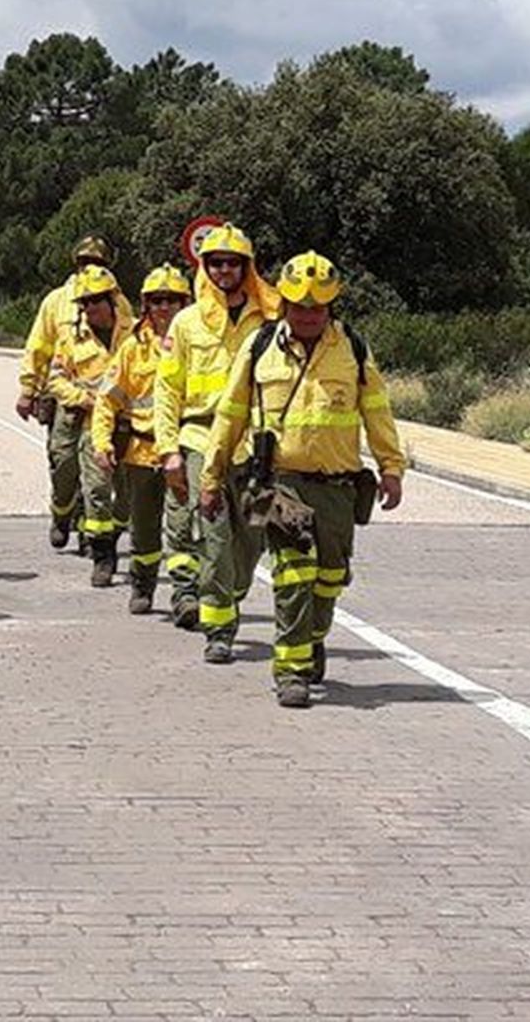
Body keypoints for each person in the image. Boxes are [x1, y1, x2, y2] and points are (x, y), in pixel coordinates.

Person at [202, 251, 405, 708]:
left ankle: (313, 638)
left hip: (337, 486)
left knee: (330, 577)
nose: (308, 315)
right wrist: (211, 476)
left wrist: (392, 467)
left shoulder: (352, 348)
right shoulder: (259, 347)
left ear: (331, 306)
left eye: (317, 308)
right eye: (299, 307)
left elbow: (378, 412)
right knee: (294, 573)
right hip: (276, 482)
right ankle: (290, 672)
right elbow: (229, 415)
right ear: (285, 306)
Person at [153, 224, 280, 659]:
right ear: (204, 267)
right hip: (200, 437)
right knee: (213, 536)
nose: (224, 270)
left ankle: (231, 593)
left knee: (254, 536)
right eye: (215, 263)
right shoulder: (186, 323)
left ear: (247, 267)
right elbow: (167, 390)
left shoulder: (271, 320)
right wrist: (168, 449)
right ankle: (219, 630)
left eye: (233, 263)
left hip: (257, 446)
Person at [17, 236, 133, 549]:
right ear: (76, 263)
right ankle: (62, 512)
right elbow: (39, 345)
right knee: (63, 464)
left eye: (97, 262)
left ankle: (89, 532)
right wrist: (28, 389)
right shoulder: (56, 301)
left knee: (96, 471)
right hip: (66, 397)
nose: (90, 267)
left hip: (108, 407)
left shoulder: (118, 301)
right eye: (85, 261)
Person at [91, 265, 191, 614]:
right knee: (145, 529)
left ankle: (185, 594)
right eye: (157, 301)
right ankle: (143, 584)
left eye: (172, 300)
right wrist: (102, 442)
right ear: (146, 305)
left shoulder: (197, 344)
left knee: (182, 526)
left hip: (183, 453)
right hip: (142, 452)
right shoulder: (133, 349)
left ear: (185, 303)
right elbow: (107, 399)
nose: (164, 307)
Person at [49, 264, 135, 588]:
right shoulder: (71, 340)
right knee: (96, 488)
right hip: (89, 424)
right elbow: (55, 380)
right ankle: (103, 556)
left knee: (125, 495)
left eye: (95, 301)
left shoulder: (136, 333)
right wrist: (81, 398)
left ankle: (114, 535)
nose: (89, 309)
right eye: (84, 303)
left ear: (112, 300)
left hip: (129, 425)